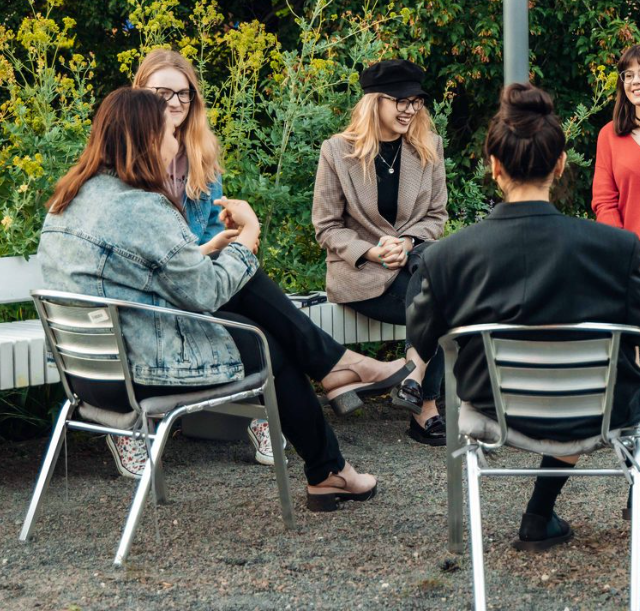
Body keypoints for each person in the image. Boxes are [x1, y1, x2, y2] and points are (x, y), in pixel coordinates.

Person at [38, 87, 414, 509]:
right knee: (267, 346)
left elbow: (133, 275)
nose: (176, 141)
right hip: (140, 370)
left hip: (87, 377)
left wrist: (210, 250)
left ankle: (333, 393)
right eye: (169, 133)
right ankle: (329, 448)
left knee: (252, 311)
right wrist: (247, 238)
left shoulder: (68, 199)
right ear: (146, 140)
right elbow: (204, 293)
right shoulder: (141, 208)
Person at [131, 50, 408, 468]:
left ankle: (326, 459)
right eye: (162, 92)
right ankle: (330, 383)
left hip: (197, 288)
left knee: (266, 333)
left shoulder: (200, 159)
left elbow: (203, 242)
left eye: (183, 95)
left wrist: (226, 241)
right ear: (139, 97)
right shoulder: (126, 169)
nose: (174, 103)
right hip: (153, 304)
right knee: (260, 318)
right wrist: (242, 241)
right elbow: (154, 260)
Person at [407, 83, 640, 550]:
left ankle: (538, 516)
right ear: (560, 164)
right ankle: (561, 510)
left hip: (496, 409)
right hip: (599, 410)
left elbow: (422, 335)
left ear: (494, 168)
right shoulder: (619, 250)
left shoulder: (448, 256)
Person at [312, 59, 448, 444]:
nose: (409, 109)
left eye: (416, 101)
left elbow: (436, 216)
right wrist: (373, 252)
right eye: (399, 100)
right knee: (441, 295)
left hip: (414, 266)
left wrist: (406, 243)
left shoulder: (429, 148)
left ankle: (413, 386)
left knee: (435, 277)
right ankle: (424, 406)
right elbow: (326, 226)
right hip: (363, 277)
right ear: (374, 102)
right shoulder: (337, 152)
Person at [592, 44, 640, 237]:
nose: (636, 81)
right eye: (629, 75)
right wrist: (621, 248)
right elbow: (604, 203)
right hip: (631, 260)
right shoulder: (609, 136)